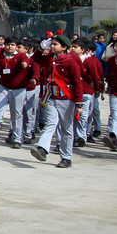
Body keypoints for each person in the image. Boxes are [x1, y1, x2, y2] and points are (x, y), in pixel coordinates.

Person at [30, 34, 83, 168]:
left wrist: (79, 103)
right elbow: (35, 59)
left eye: (55, 44)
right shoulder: (49, 58)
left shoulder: (71, 60)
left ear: (64, 47)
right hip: (51, 97)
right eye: (51, 44)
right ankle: (42, 149)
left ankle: (66, 157)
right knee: (50, 123)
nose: (52, 46)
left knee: (67, 129)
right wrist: (41, 48)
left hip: (66, 98)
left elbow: (77, 82)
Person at [0, 36, 30, 145]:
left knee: (17, 114)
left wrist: (24, 65)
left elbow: (26, 62)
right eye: (7, 45)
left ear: (16, 47)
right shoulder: (1, 57)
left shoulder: (21, 56)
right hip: (3, 86)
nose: (9, 47)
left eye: (12, 45)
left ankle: (16, 139)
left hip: (18, 89)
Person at [71, 38, 104, 147]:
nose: (73, 49)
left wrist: (97, 89)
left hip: (86, 91)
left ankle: (81, 136)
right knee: (73, 115)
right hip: (72, 91)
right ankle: (74, 136)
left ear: (83, 50)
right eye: (73, 47)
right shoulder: (70, 59)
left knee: (83, 115)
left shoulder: (90, 61)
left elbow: (95, 75)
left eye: (76, 47)